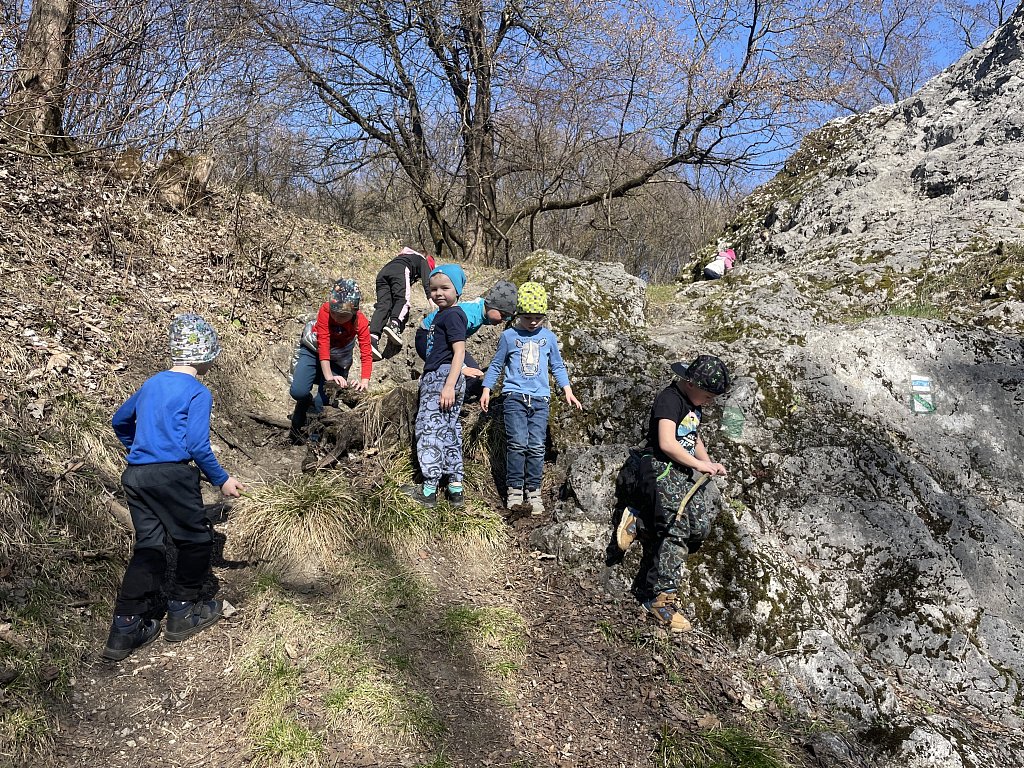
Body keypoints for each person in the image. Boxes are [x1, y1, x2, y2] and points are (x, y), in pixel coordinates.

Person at [103, 314, 245, 661]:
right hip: (172, 475)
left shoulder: (152, 383)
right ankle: (183, 610)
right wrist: (222, 479)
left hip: (136, 475)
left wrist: (140, 449)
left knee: (149, 546)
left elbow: (119, 420)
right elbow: (197, 446)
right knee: (196, 540)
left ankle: (124, 628)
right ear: (206, 355)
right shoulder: (197, 391)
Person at [609, 355, 730, 633]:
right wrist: (698, 465)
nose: (709, 402)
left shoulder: (692, 404)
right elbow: (666, 442)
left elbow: (692, 436)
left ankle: (641, 520)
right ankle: (658, 598)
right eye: (708, 396)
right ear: (691, 383)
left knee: (699, 528)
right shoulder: (669, 399)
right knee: (676, 527)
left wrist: (708, 462)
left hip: (681, 471)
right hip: (659, 468)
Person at [480, 282, 582, 516]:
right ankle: (515, 491)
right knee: (517, 443)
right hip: (514, 397)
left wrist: (567, 389)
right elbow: (496, 365)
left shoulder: (548, 338)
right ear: (518, 314)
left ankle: (533, 491)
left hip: (540, 399)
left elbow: (557, 365)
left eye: (538, 317)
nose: (533, 322)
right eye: (527, 317)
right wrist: (487, 388)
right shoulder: (509, 336)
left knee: (536, 446)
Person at [403, 264, 470, 508]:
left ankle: (429, 490)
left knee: (429, 430)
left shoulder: (452, 315)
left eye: (445, 288)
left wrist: (449, 384)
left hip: (442, 379)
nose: (438, 293)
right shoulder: (444, 315)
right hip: (443, 377)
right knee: (449, 431)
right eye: (433, 289)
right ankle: (455, 488)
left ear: (457, 290)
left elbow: (459, 351)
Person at [289, 278, 372, 444]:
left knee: (324, 401)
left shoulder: (360, 321)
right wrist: (329, 377)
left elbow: (366, 351)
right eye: (335, 314)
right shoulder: (325, 310)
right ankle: (304, 405)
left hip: (339, 359)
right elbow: (324, 344)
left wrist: (364, 381)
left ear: (353, 312)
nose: (338, 318)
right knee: (298, 391)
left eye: (343, 316)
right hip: (313, 349)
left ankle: (316, 438)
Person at [415, 280, 518, 396]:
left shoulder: (482, 309)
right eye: (503, 315)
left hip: (444, 340)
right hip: (428, 336)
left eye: (507, 318)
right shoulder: (469, 316)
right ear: (492, 305)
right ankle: (434, 388)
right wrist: (462, 367)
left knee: (473, 373)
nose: (503, 320)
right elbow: (452, 343)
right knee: (466, 373)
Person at [368, 247, 436, 360]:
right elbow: (427, 280)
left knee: (383, 306)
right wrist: (431, 300)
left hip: (383, 273)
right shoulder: (422, 259)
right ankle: (394, 325)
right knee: (402, 299)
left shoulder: (404, 257)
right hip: (400, 270)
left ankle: (372, 340)